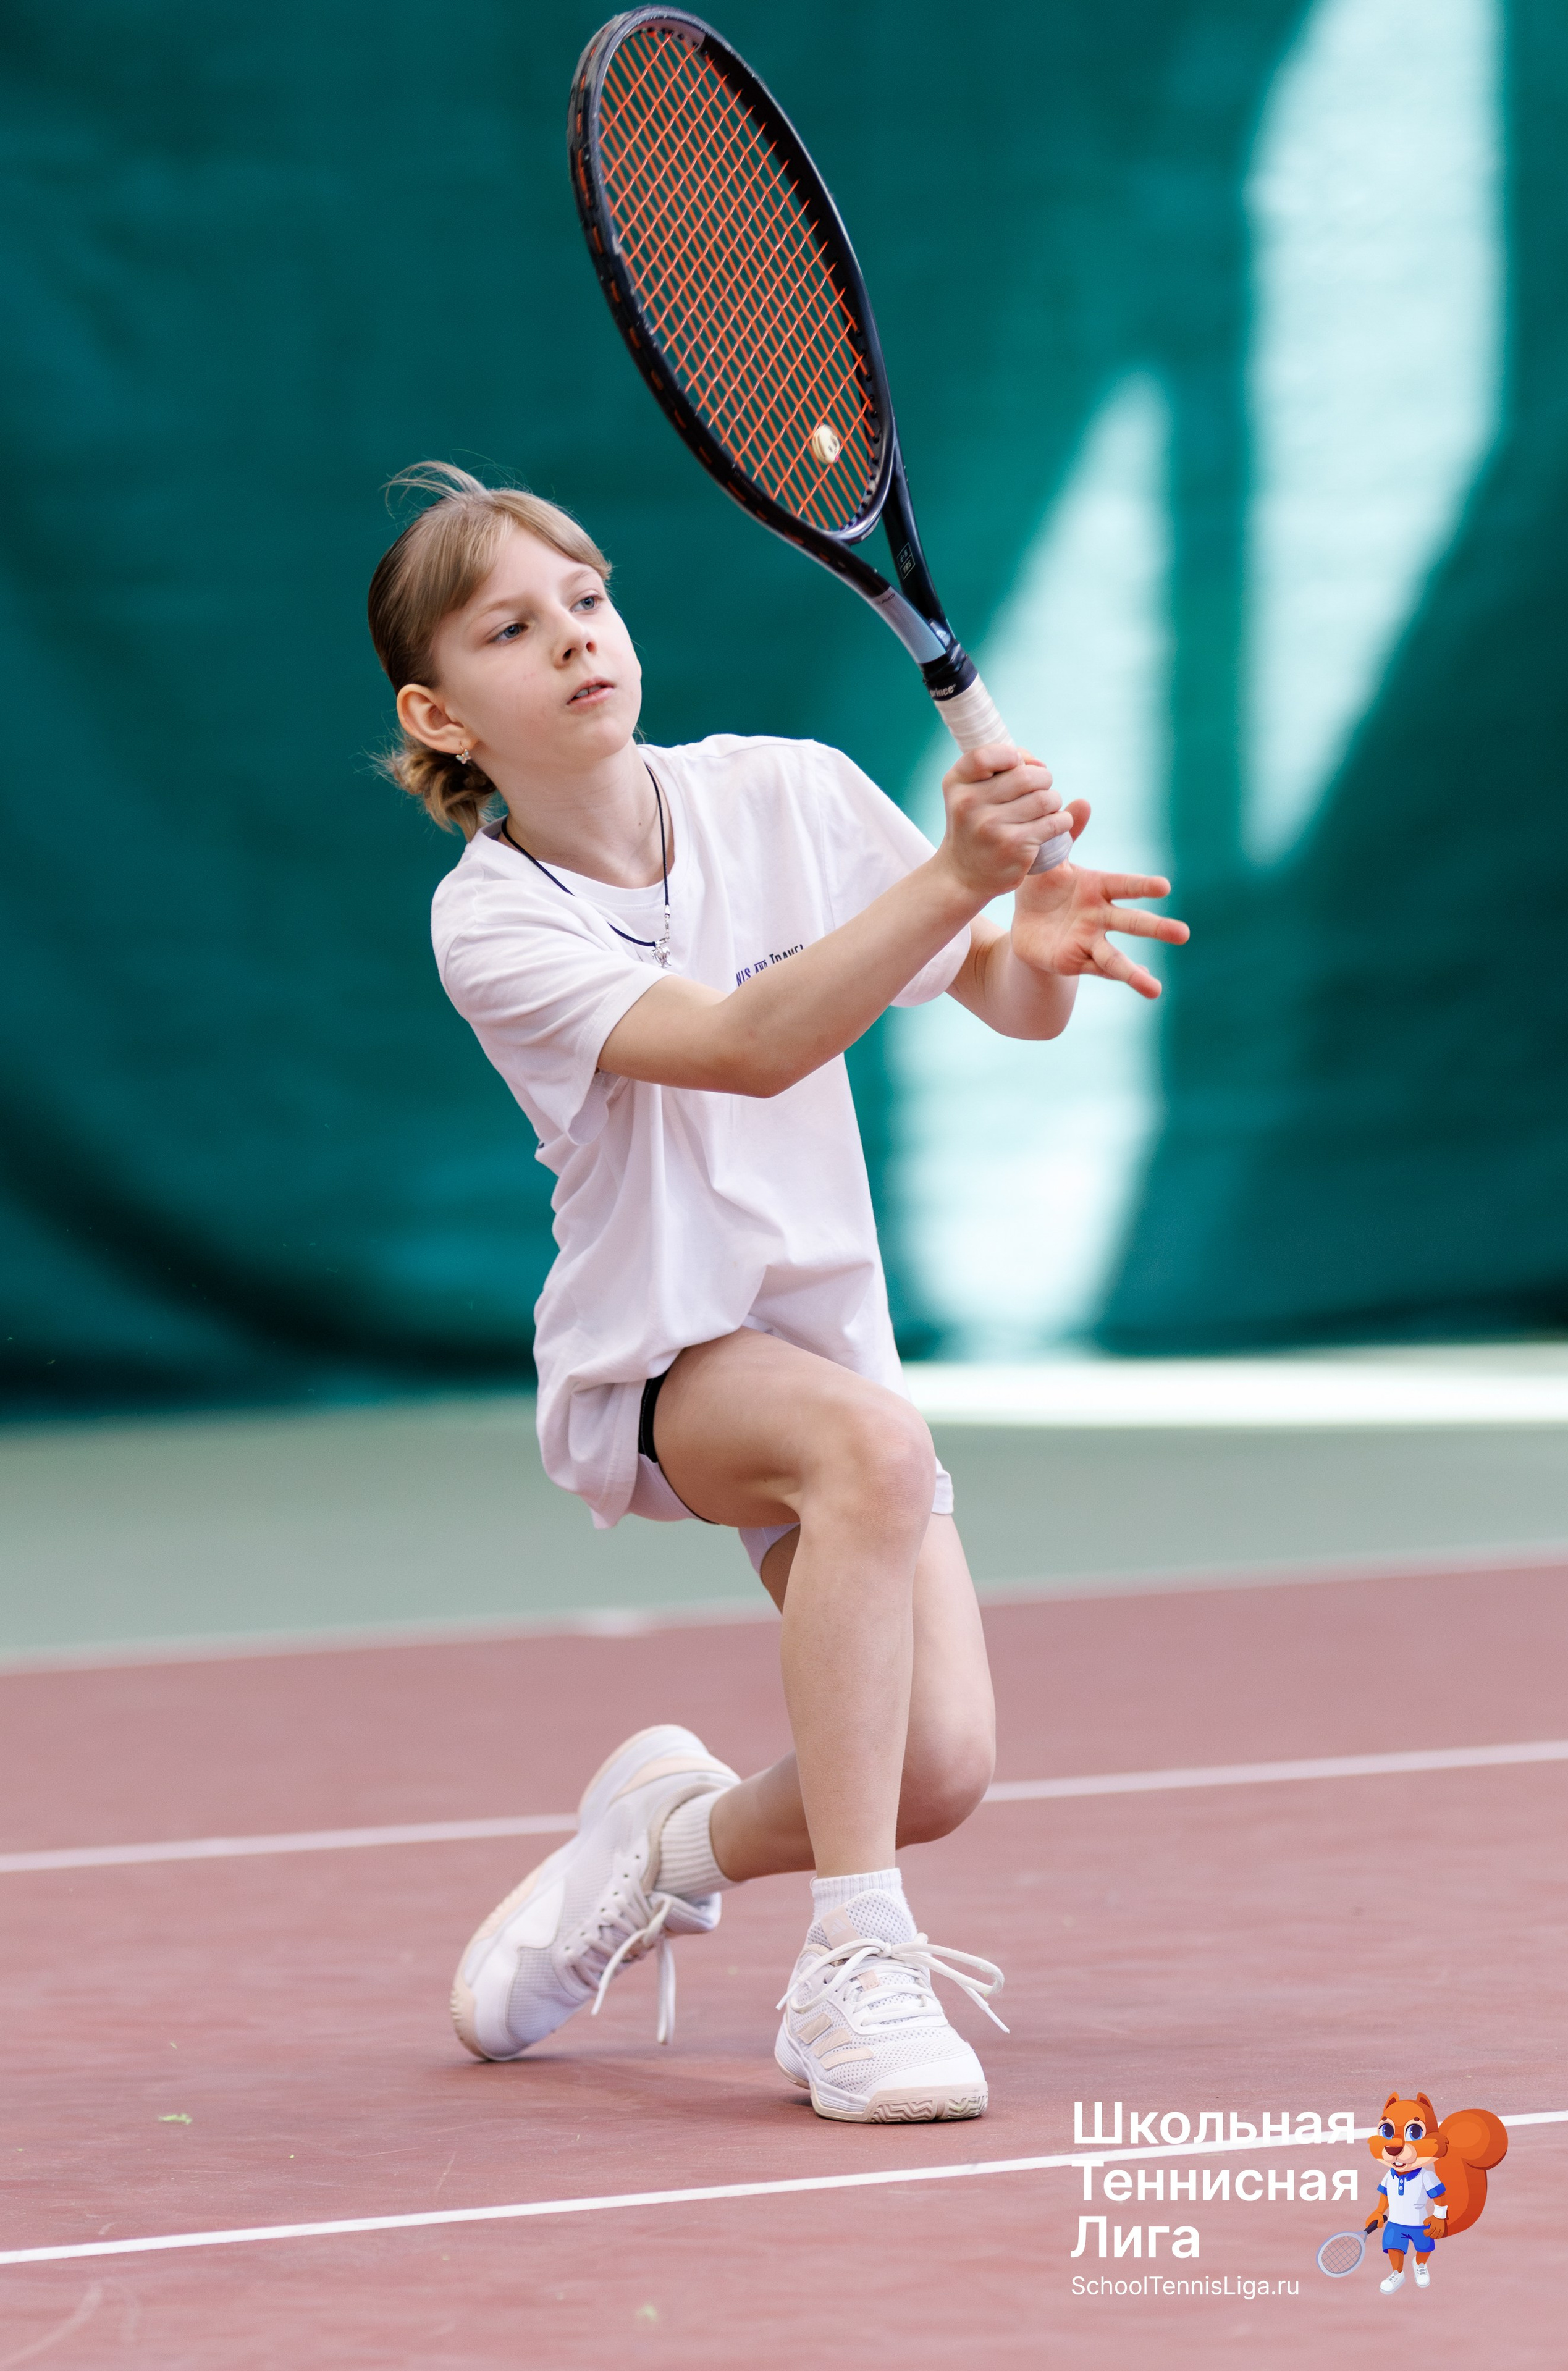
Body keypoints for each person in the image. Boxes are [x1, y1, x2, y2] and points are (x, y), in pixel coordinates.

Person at [367, 463, 1187, 2124]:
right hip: (660, 1360)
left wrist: (1024, 938)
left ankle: (661, 1844)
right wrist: (955, 878)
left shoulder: (792, 795)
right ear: (441, 715)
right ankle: (852, 1971)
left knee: (937, 1767)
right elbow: (747, 1049)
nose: (579, 642)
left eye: (589, 600)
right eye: (515, 630)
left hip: (829, 1347)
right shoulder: (492, 919)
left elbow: (1003, 1007)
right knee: (870, 1453)